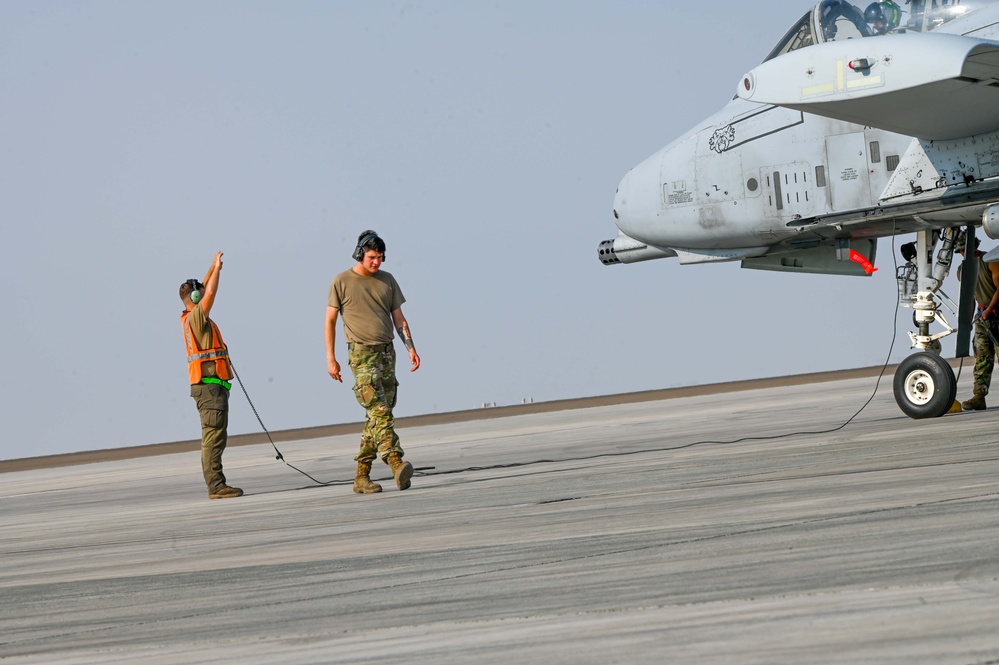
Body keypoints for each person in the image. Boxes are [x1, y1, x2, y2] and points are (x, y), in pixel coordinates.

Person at [325, 230, 421, 493]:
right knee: (380, 411)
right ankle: (395, 461)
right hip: (361, 355)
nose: (376, 262)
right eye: (371, 257)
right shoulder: (341, 281)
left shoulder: (387, 280)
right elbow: (330, 322)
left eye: (379, 257)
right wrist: (331, 358)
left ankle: (361, 477)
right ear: (359, 254)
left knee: (376, 416)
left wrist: (411, 348)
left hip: (387, 354)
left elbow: (399, 318)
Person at [179, 251, 243, 499]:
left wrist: (214, 267)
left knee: (215, 436)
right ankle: (216, 486)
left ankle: (217, 484)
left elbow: (205, 290)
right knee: (213, 438)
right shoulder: (197, 318)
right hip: (209, 390)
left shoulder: (191, 316)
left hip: (211, 388)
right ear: (195, 297)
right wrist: (216, 271)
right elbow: (211, 293)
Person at [956, 235, 999, 410]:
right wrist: (969, 319)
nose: (962, 252)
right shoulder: (962, 270)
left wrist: (990, 310)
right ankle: (979, 397)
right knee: (982, 358)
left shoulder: (991, 261)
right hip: (982, 318)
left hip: (996, 314)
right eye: (960, 250)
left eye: (964, 248)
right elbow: (970, 296)